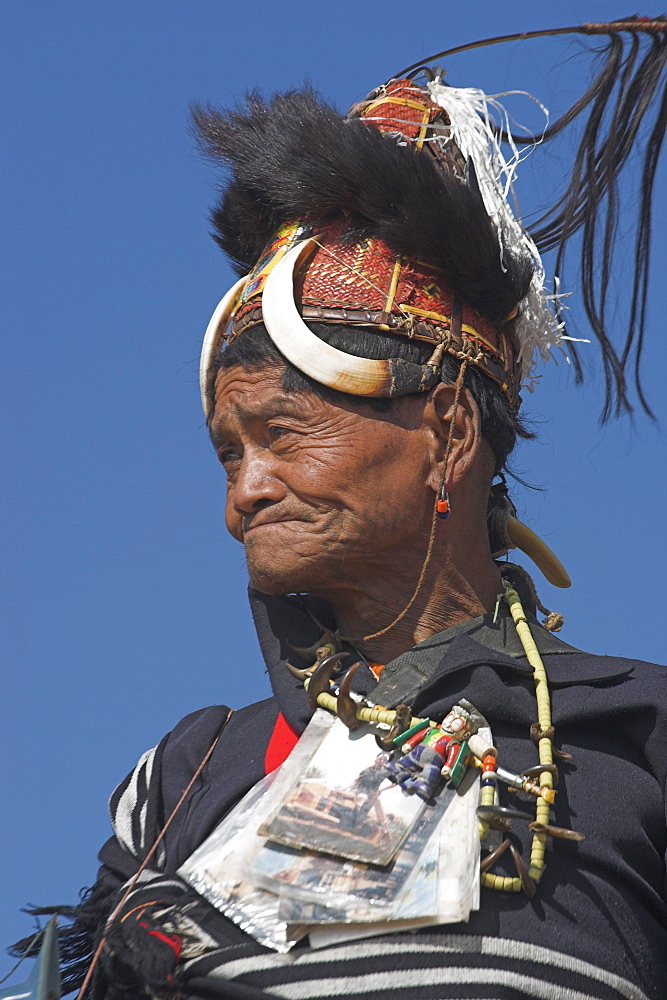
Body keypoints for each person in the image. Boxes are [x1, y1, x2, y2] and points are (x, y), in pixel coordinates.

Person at [13, 22, 667, 1000]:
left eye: (284, 434)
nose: (244, 494)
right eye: (229, 452)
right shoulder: (187, 780)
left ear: (447, 432)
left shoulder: (636, 742)